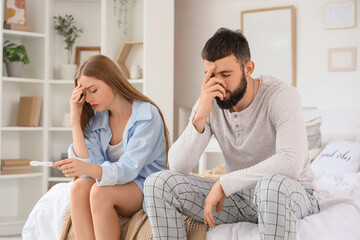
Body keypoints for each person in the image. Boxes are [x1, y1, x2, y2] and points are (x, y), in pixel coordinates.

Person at [143, 28, 320, 240]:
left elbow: (290, 163)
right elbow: (178, 167)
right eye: (210, 75)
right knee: (157, 183)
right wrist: (200, 117)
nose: (218, 84)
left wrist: (225, 183)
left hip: (289, 193)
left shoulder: (281, 96)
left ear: (248, 68)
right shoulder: (210, 100)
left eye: (226, 75)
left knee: (270, 186)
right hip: (239, 198)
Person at [52, 55, 170, 240]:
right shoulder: (97, 121)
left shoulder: (147, 115)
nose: (89, 98)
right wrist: (75, 119)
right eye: (85, 93)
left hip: (143, 185)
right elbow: (86, 170)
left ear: (113, 83)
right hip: (114, 184)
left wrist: (89, 168)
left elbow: (129, 169)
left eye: (93, 90)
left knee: (100, 193)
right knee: (78, 187)